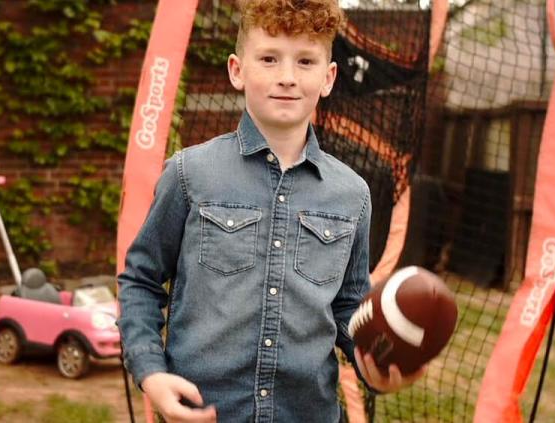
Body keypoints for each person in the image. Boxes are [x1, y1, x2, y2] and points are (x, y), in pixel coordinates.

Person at [117, 1, 423, 421]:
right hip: (206, 414)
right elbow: (141, 280)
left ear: (328, 77)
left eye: (305, 61)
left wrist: (375, 364)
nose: (287, 77)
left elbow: (349, 305)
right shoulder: (190, 174)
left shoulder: (353, 194)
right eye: (268, 58)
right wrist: (151, 372)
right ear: (237, 70)